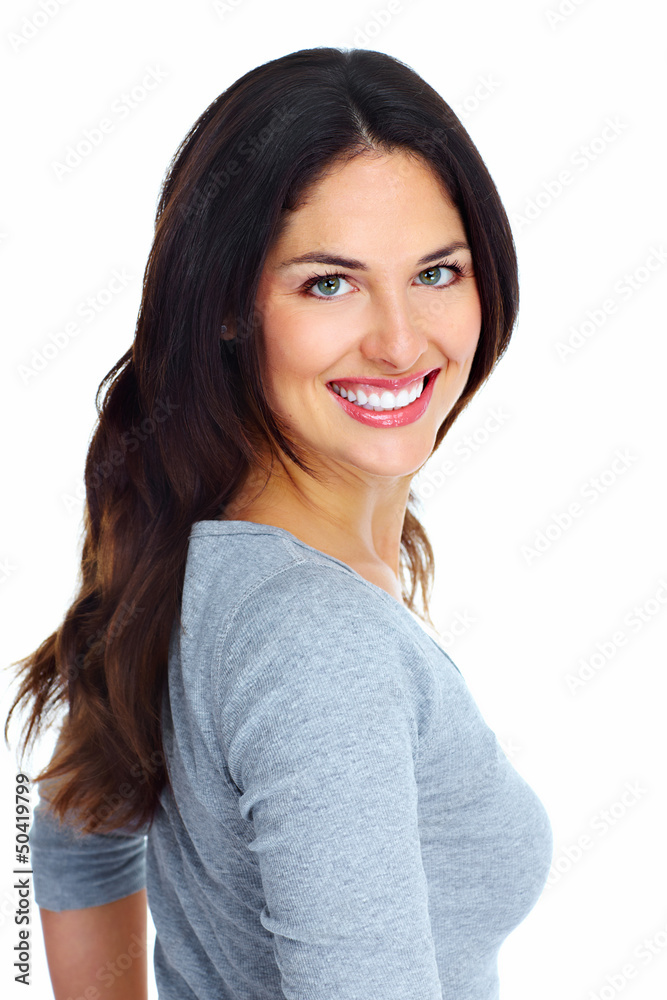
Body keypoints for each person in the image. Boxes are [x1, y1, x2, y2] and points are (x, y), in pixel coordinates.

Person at [5, 46, 553, 999]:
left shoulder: (192, 555)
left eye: (435, 271)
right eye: (328, 283)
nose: (396, 340)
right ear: (225, 305)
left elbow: (74, 828)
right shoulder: (317, 642)